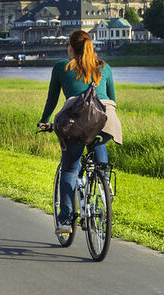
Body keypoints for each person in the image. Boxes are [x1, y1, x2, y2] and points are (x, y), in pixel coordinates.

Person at [37, 29, 122, 235]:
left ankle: (65, 219)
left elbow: (52, 99)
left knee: (70, 169)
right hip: (105, 119)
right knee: (98, 142)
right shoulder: (105, 67)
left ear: (71, 48)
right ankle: (104, 180)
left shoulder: (61, 67)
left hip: (77, 122)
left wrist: (44, 121)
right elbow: (112, 98)